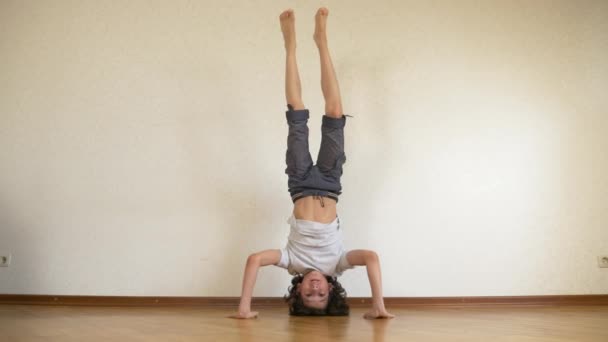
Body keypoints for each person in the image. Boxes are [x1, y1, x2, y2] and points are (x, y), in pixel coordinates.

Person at [230, 8, 394, 320]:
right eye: (321, 295)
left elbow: (254, 259)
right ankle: (321, 41)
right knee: (335, 111)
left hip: (301, 181)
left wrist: (244, 309)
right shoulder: (338, 265)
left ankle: (289, 45)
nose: (315, 288)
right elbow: (371, 257)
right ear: (332, 290)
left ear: (297, 290)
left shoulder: (291, 261)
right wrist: (378, 306)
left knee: (297, 113)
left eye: (309, 294)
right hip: (331, 184)